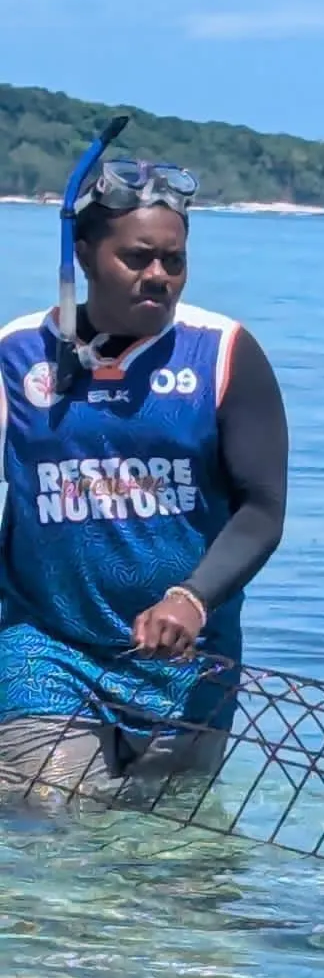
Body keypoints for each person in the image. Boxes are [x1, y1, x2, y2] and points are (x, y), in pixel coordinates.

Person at [0, 156, 288, 794]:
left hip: (189, 662)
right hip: (47, 648)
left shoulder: (224, 353)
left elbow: (263, 510)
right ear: (83, 254)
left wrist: (191, 597)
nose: (158, 276)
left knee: (172, 860)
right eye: (137, 258)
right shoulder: (16, 354)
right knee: (46, 816)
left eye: (173, 261)